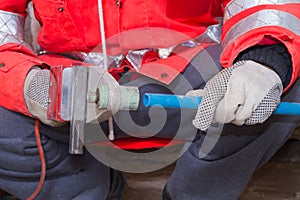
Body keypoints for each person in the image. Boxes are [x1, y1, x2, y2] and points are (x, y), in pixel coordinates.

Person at [0, 0, 300, 199]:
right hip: (76, 93)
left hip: (191, 84)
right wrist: (27, 83)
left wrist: (263, 58)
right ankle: (82, 188)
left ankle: (195, 193)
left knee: (271, 89)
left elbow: (265, 4)